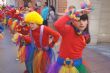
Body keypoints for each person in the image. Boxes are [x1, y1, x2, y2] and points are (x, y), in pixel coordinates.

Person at [48, 7, 91, 73]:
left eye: (84, 20)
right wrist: (71, 13)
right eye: (79, 20)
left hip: (77, 66)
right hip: (63, 66)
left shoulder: (85, 35)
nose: (81, 23)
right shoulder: (68, 30)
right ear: (73, 22)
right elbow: (57, 25)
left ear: (87, 22)